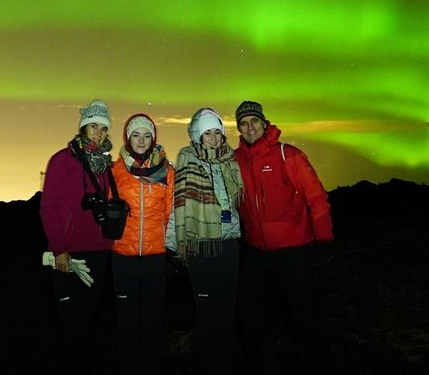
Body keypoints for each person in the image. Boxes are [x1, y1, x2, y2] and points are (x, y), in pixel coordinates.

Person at [233, 99, 334, 373]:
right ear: (239, 128)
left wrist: (323, 241)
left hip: (295, 251)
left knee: (306, 318)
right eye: (243, 122)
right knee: (251, 315)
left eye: (254, 120)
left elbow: (318, 199)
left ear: (265, 124)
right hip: (258, 253)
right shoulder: (235, 160)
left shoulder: (287, 155)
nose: (249, 126)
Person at [39, 98, 116, 368]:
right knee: (70, 320)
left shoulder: (107, 164)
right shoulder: (62, 160)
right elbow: (49, 206)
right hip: (70, 252)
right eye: (93, 126)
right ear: (83, 128)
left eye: (103, 128)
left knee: (91, 318)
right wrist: (59, 249)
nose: (98, 132)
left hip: (100, 250)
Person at [168, 106, 243, 369]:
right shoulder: (187, 161)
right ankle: (208, 363)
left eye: (217, 132)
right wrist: (173, 244)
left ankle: (224, 362)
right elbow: (177, 205)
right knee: (207, 311)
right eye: (207, 132)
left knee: (226, 309)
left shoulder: (231, 162)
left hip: (229, 244)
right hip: (201, 247)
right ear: (197, 136)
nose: (213, 137)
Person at [110, 112, 175, 375]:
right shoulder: (115, 171)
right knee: (126, 320)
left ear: (153, 139)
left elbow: (171, 212)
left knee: (152, 319)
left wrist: (171, 251)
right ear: (127, 138)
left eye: (146, 135)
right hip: (122, 255)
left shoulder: (167, 172)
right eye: (136, 134)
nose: (141, 140)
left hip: (155, 255)